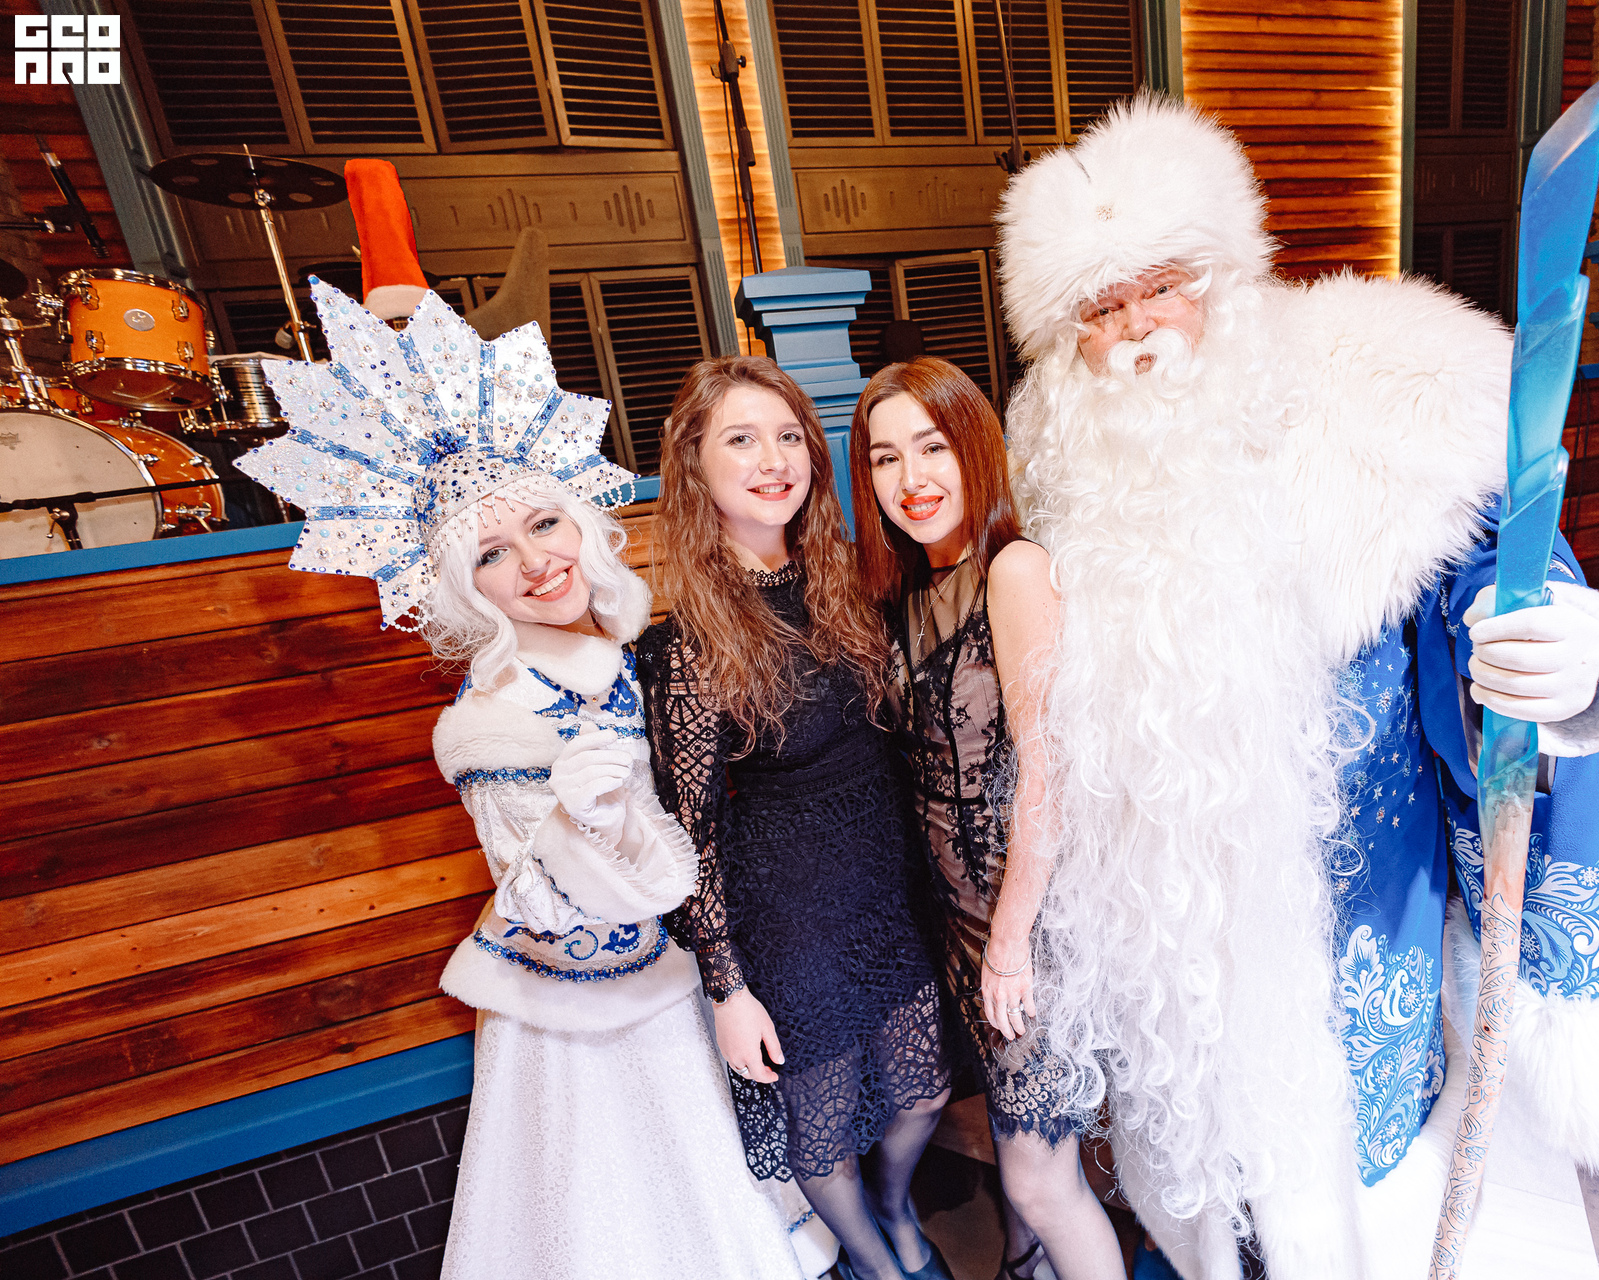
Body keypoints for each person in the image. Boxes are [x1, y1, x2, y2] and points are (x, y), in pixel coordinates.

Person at [994, 96, 1599, 1278]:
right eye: (1100, 308)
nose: (1138, 327)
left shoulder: (1370, 409)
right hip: (1179, 971)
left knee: (1353, 1220)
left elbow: (1497, 564)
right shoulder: (1071, 478)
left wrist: (1567, 647)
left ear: (1223, 279)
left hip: (1353, 945)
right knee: (1213, 1213)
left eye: (1163, 284)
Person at [235, 283, 815, 1278]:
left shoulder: (620, 647)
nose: (537, 562)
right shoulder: (489, 724)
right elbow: (556, 898)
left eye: (545, 524)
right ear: (463, 588)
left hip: (671, 975)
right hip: (588, 1013)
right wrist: (591, 824)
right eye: (493, 555)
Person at [636, 356, 956, 1280]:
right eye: (741, 439)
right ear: (695, 466)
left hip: (887, 892)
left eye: (788, 437)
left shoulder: (851, 583)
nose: (773, 459)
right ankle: (880, 1265)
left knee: (926, 1094)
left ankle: (893, 1209)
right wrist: (726, 988)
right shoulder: (688, 644)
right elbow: (690, 831)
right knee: (822, 1133)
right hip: (790, 917)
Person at [850, 358, 1128, 1280]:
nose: (912, 478)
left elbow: (1047, 769)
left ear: (975, 448)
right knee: (1023, 1164)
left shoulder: (1014, 570)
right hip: (957, 925)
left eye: (932, 447)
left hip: (1028, 925)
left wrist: (1008, 943)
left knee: (1042, 1182)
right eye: (885, 457)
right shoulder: (907, 593)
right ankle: (1023, 1266)